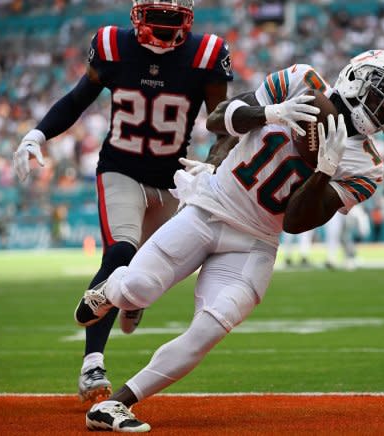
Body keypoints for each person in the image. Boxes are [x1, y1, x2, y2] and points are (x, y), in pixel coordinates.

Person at [73, 49, 384, 432]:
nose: (382, 109)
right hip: (210, 206)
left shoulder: (368, 167)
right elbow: (220, 120)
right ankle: (110, 290)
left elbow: (297, 223)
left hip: (255, 241)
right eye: (380, 94)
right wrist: (271, 113)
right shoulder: (301, 80)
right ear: (355, 77)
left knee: (209, 329)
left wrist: (323, 171)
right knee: (136, 289)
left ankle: (115, 405)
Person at [12, 0, 238, 403]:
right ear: (138, 14)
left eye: (171, 17)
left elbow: (222, 122)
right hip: (121, 170)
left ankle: (133, 297)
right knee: (119, 252)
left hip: (173, 181)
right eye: (157, 15)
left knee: (159, 266)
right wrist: (37, 135)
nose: (164, 25)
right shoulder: (112, 45)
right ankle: (92, 362)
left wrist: (213, 165)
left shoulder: (206, 55)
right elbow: (78, 99)